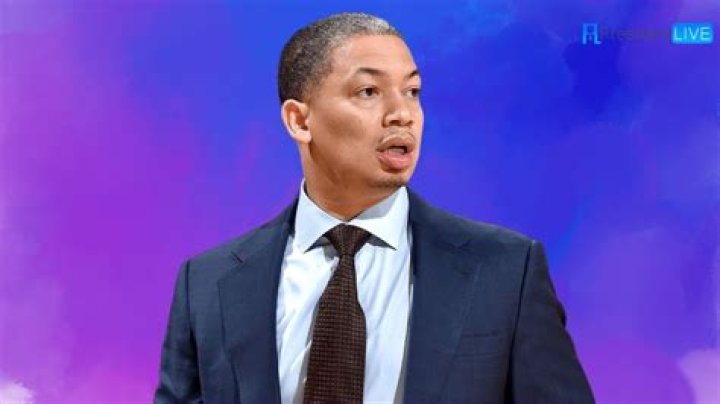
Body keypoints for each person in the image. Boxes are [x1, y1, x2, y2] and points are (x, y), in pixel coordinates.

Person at [154, 12, 594, 403]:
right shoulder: (207, 284)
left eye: (413, 91)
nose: (403, 114)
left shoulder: (506, 271)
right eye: (368, 91)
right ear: (300, 120)